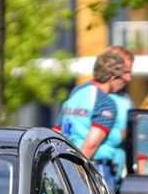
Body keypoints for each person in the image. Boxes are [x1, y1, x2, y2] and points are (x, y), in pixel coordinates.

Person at [53, 50, 129, 185]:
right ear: (112, 78)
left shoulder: (77, 94)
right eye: (121, 78)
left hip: (63, 162)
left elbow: (56, 131)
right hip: (92, 168)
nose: (124, 82)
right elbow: (91, 144)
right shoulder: (105, 102)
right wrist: (74, 173)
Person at [105, 45, 135, 190]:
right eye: (125, 72)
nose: (129, 78)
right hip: (97, 175)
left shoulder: (126, 100)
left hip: (117, 180)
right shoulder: (90, 95)